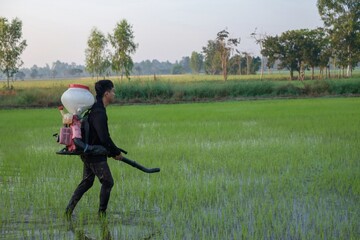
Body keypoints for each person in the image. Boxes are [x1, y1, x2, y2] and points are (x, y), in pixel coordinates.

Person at [65, 80, 123, 218]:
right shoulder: (99, 112)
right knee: (108, 182)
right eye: (113, 91)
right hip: (94, 154)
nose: (114, 94)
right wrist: (115, 152)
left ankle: (68, 211)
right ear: (106, 93)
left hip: (89, 152)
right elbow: (104, 138)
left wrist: (113, 150)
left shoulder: (97, 108)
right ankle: (101, 215)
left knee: (87, 182)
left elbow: (102, 138)